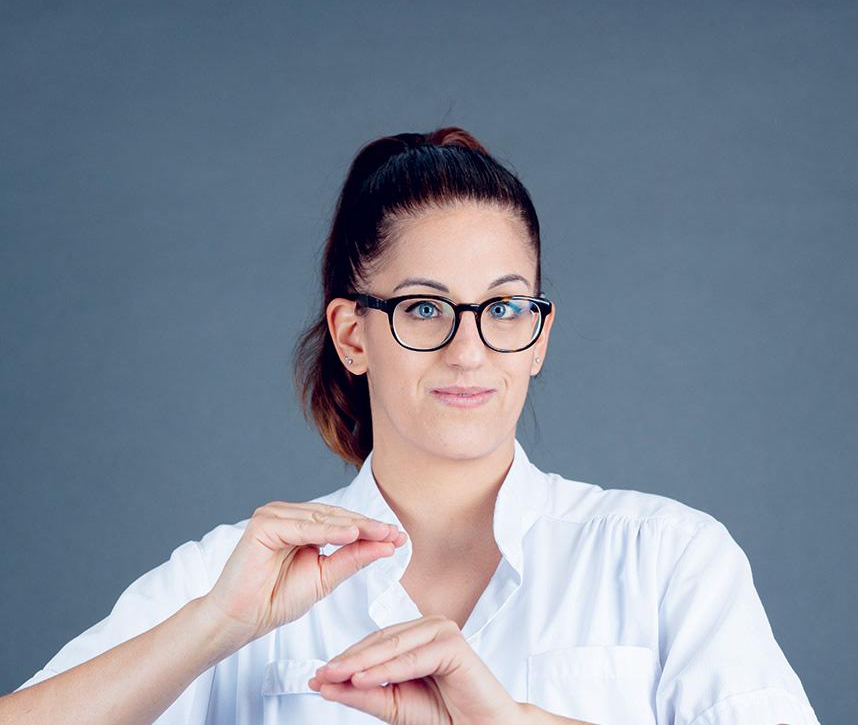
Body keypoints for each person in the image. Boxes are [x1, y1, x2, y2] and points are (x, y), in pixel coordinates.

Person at [2, 128, 820, 725]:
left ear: (539, 334)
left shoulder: (668, 558)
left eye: (504, 306)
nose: (470, 349)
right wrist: (215, 626)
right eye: (425, 308)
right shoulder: (234, 574)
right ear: (352, 335)